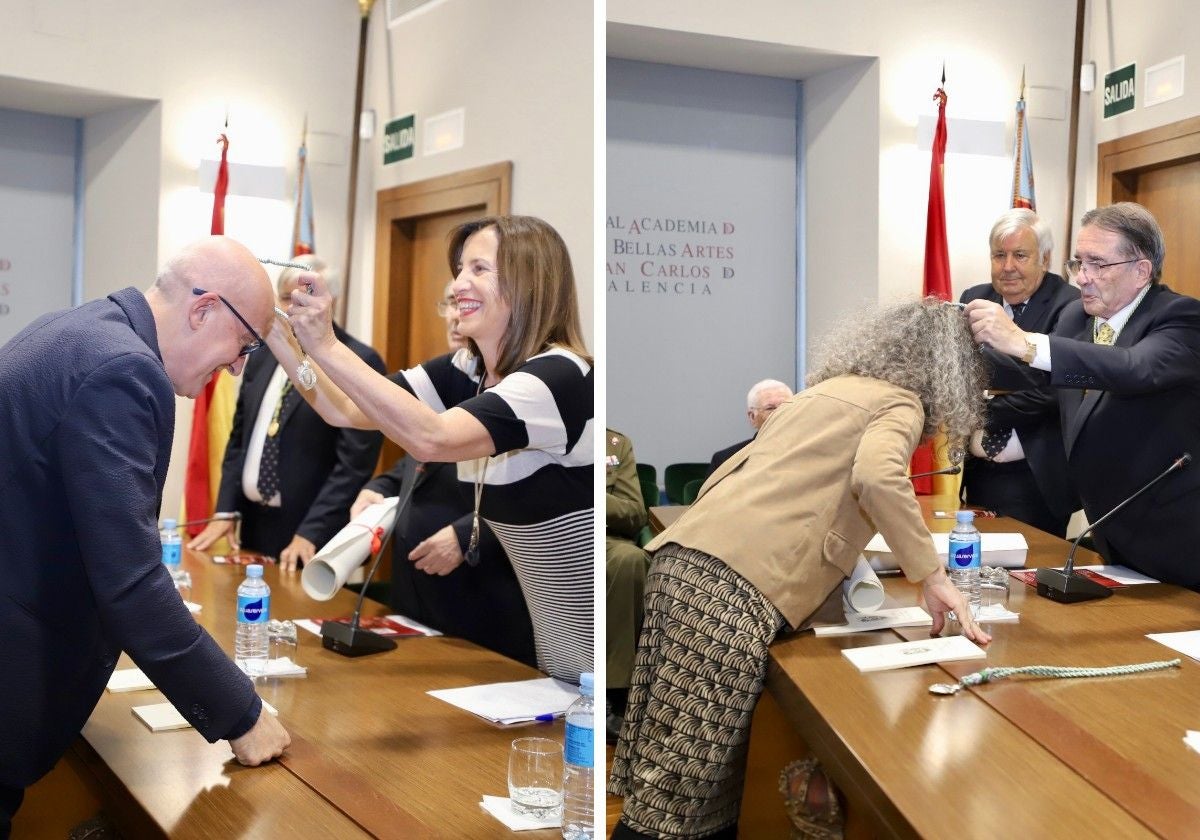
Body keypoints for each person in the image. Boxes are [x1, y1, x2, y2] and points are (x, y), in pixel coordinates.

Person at [609, 299, 991, 840]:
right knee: (676, 801)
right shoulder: (899, 403)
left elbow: (791, 498)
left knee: (695, 786)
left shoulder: (824, 393)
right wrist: (932, 576)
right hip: (729, 592)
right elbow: (878, 480)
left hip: (684, 564)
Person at [0, 237, 290, 834]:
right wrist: (241, 713)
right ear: (204, 308)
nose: (239, 367)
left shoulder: (81, 329)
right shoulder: (123, 369)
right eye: (246, 344)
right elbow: (129, 582)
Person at [266, 215, 593, 683]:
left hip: (589, 644)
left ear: (529, 283)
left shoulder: (557, 377)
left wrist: (328, 342)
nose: (458, 284)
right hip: (555, 651)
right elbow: (344, 409)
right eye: (460, 269)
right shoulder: (469, 369)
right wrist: (277, 330)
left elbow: (430, 439)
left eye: (479, 269)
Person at [965, 201, 1200, 586]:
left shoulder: (1181, 318)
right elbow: (1040, 375)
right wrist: (951, 359)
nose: (1082, 278)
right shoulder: (1078, 317)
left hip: (1177, 538)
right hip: (1109, 531)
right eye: (1078, 263)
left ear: (1141, 271)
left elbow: (1131, 368)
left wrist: (1024, 341)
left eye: (1098, 264)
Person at [350, 282, 536, 667]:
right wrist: (379, 486)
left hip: (480, 592)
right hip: (415, 594)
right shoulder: (446, 378)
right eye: (449, 303)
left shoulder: (525, 387)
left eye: (463, 303)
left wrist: (470, 533)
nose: (455, 314)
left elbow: (540, 487)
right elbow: (418, 462)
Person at [187, 256, 384, 569]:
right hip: (252, 525)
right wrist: (225, 509)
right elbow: (239, 438)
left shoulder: (358, 361)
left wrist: (310, 532)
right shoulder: (261, 351)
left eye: (304, 300)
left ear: (329, 302)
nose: (292, 310)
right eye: (285, 299)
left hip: (310, 538)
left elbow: (354, 465)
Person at [959, 208, 1079, 536]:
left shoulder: (1071, 307)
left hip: (1035, 474)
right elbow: (959, 372)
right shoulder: (974, 299)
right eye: (999, 255)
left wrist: (982, 412)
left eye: (1020, 255)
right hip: (980, 469)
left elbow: (1060, 390)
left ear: (1045, 258)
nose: (1008, 266)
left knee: (1026, 575)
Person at [605, 428, 651, 742]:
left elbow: (635, 513)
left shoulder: (614, 445)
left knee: (630, 560)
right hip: (551, 535)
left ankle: (618, 694)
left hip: (604, 540)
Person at [706, 378, 794, 476]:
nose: (779, 413)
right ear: (752, 417)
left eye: (786, 407)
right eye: (770, 408)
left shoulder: (808, 450)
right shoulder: (726, 460)